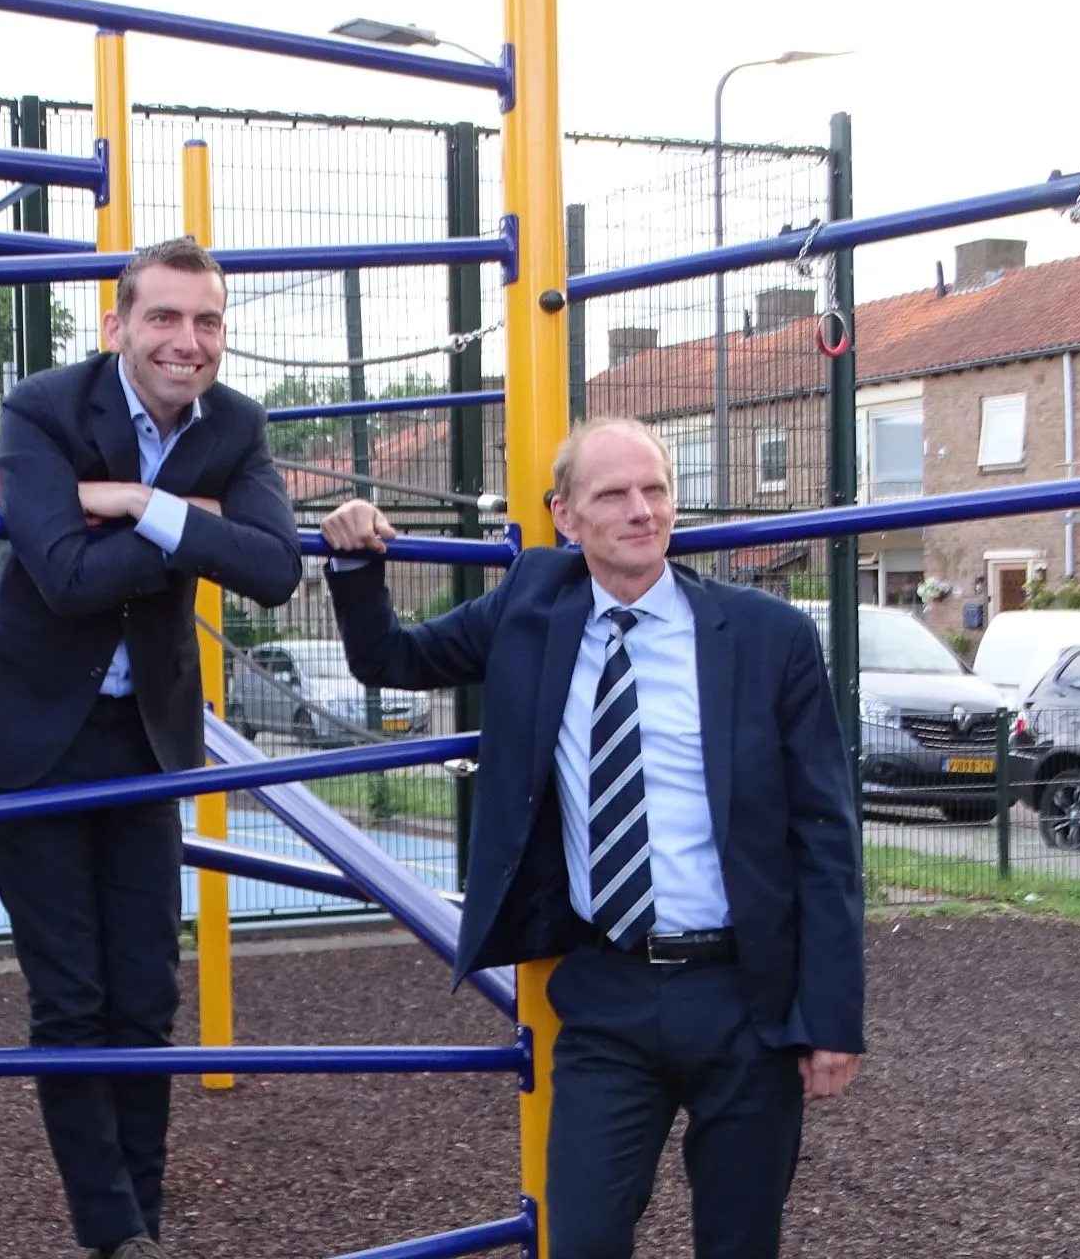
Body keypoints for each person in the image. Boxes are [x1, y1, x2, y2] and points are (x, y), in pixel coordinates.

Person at [318, 417, 864, 1259]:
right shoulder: (530, 608)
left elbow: (824, 835)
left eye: (656, 491)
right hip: (609, 991)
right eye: (614, 494)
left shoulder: (766, 637)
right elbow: (390, 657)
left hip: (745, 996)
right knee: (580, 1240)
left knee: (740, 1243)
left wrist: (831, 1017)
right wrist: (357, 560)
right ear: (564, 516)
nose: (642, 511)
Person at [0, 237, 301, 1259]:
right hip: (30, 736)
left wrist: (138, 505)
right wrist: (192, 530)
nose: (185, 344)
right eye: (162, 318)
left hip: (143, 737)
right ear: (116, 329)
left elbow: (274, 570)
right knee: (74, 996)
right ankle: (112, 1236)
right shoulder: (46, 409)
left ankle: (138, 1221)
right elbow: (57, 573)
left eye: (205, 322)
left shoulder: (232, 423)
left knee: (144, 994)